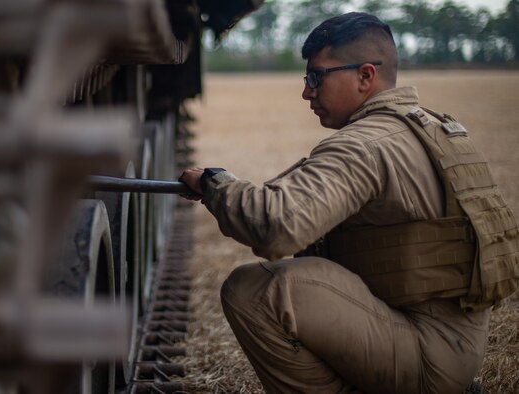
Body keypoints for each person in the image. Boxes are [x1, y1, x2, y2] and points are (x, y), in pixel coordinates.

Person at [179, 12, 519, 394]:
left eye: (316, 77)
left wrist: (215, 184)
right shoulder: (430, 126)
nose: (307, 92)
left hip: (426, 355)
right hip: (454, 346)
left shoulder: (365, 144)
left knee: (254, 291)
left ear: (365, 76)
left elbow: (276, 227)